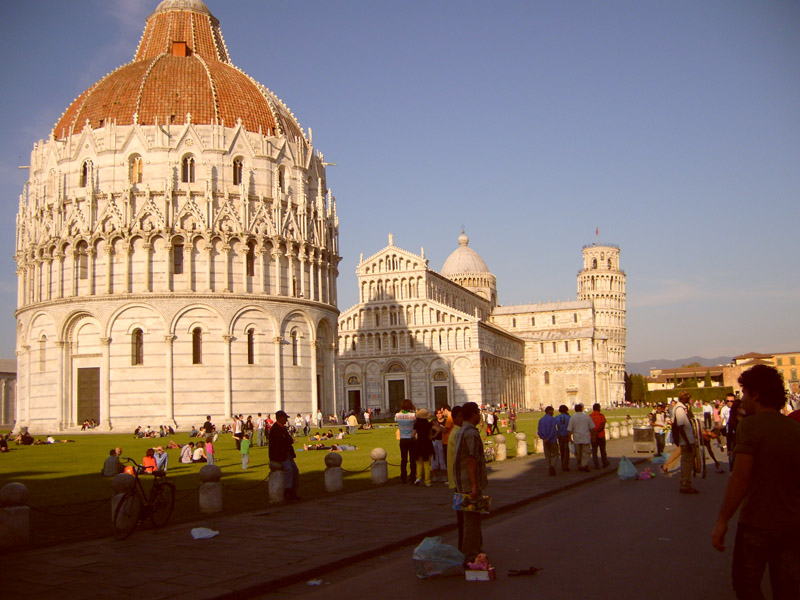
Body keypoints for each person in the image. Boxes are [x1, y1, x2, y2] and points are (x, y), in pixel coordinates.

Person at [711, 364, 800, 599]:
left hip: (757, 523)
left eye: (745, 393)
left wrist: (722, 520)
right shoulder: (794, 427)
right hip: (792, 524)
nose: (743, 399)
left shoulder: (750, 426)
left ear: (756, 394)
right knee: (787, 589)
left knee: (746, 585)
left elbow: (741, 477)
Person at [454, 402, 488, 564]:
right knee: (471, 521)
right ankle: (470, 555)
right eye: (478, 413)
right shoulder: (471, 433)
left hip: (462, 481)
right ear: (474, 414)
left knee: (473, 519)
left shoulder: (461, 431)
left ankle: (476, 551)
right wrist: (475, 485)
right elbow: (471, 459)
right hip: (469, 484)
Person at [673, 391, 700, 494]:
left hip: (688, 440)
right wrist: (688, 442)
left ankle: (687, 483)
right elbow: (680, 427)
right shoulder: (679, 410)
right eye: (688, 398)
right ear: (684, 398)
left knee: (688, 463)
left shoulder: (683, 408)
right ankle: (685, 484)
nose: (690, 400)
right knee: (686, 463)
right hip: (686, 441)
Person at [270, 410, 300, 500]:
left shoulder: (282, 428)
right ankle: (288, 490)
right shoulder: (275, 429)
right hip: (281, 454)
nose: (286, 420)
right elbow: (283, 441)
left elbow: (288, 440)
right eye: (285, 418)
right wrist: (288, 440)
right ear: (279, 418)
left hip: (287, 453)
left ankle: (293, 491)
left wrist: (288, 440)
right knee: (289, 470)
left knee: (295, 470)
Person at [567, 403, 595, 472]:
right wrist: (594, 436)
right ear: (582, 409)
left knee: (578, 453)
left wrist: (569, 438)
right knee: (586, 452)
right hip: (585, 437)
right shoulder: (587, 417)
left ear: (575, 410)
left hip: (577, 438)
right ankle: (584, 464)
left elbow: (569, 429)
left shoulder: (572, 418)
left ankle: (581, 464)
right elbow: (592, 428)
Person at [395, 399, 417, 484]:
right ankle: (412, 477)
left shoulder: (398, 415)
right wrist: (415, 409)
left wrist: (402, 409)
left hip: (403, 439)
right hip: (411, 439)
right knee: (412, 459)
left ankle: (403, 477)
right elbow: (419, 417)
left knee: (403, 459)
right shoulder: (412, 415)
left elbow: (399, 416)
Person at [413, 408, 434, 486]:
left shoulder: (416, 424)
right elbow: (431, 434)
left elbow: (413, 434)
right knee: (427, 463)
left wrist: (415, 439)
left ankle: (418, 477)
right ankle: (427, 481)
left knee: (419, 462)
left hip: (419, 442)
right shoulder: (428, 424)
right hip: (427, 443)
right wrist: (432, 436)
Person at [537, 406, 559, 476]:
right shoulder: (553, 419)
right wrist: (548, 438)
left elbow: (539, 431)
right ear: (550, 411)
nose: (553, 413)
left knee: (547, 455)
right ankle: (552, 466)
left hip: (545, 440)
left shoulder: (541, 420)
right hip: (552, 440)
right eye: (552, 411)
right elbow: (553, 430)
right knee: (555, 454)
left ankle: (549, 467)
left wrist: (543, 438)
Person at [589, 403, 610, 469]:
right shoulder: (601, 416)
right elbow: (603, 425)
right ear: (598, 408)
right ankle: (604, 462)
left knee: (594, 451)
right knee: (602, 450)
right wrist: (597, 432)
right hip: (600, 435)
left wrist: (594, 433)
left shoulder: (590, 416)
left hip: (593, 436)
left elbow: (588, 426)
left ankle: (596, 464)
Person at [555, 405, 571, 472]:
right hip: (566, 435)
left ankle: (563, 464)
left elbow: (554, 427)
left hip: (560, 435)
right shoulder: (569, 417)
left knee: (562, 451)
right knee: (566, 451)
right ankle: (565, 465)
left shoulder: (556, 417)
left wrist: (557, 433)